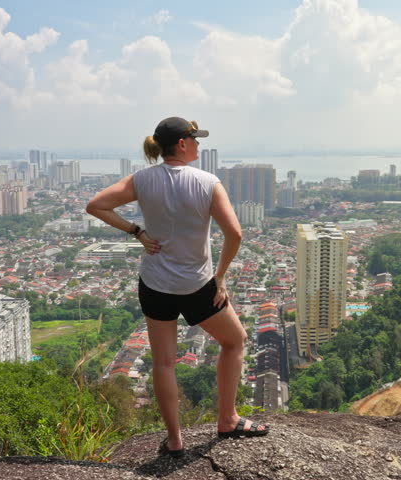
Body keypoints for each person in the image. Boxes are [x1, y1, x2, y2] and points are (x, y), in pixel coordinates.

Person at [86, 117, 268, 457]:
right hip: (198, 284)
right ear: (182, 144)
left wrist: (136, 232)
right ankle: (227, 420)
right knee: (235, 341)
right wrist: (222, 277)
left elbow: (96, 205)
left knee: (164, 364)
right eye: (195, 139)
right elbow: (235, 233)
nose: (199, 145)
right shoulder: (208, 182)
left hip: (155, 284)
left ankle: (174, 440)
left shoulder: (142, 179)